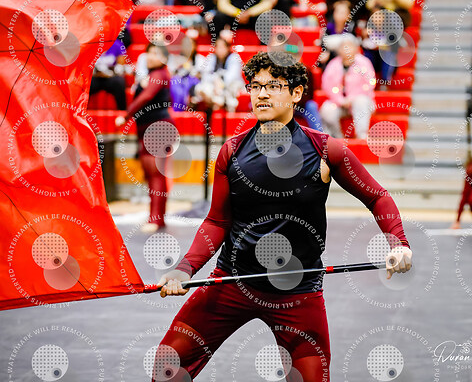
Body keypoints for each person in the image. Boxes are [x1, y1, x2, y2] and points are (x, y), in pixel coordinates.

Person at [152, 51, 413, 381]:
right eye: (256, 86)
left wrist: (398, 243)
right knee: (168, 365)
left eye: (273, 86)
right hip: (233, 282)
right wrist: (185, 268)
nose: (261, 94)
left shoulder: (325, 150)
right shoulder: (232, 151)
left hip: (297, 293)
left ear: (296, 93)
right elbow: (217, 221)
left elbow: (377, 197)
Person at [121, 44, 173, 233]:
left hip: (157, 129)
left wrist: (126, 115)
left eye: (156, 54)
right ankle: (156, 217)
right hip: (147, 129)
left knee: (155, 174)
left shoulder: (159, 74)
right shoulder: (152, 75)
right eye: (149, 53)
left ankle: (156, 219)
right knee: (152, 175)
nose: (150, 57)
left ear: (164, 58)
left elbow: (146, 97)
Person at [320, 35, 375, 139]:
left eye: (349, 46)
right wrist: (340, 100)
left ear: (356, 48)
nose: (346, 50)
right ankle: (337, 137)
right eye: (343, 47)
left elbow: (370, 83)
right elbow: (326, 85)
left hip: (360, 100)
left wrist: (352, 98)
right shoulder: (333, 64)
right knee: (327, 109)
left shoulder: (364, 62)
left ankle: (361, 134)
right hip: (339, 103)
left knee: (361, 101)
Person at [193, 36, 245, 112]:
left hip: (230, 88)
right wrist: (215, 80)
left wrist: (219, 81)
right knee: (201, 88)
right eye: (218, 47)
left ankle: (223, 103)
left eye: (222, 47)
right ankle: (219, 102)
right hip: (214, 88)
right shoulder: (211, 58)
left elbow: (231, 77)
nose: (220, 50)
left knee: (233, 87)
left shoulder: (234, 57)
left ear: (227, 48)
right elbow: (205, 76)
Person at [89, 39, 129, 110]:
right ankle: (81, 111)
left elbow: (121, 65)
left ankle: (122, 111)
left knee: (120, 82)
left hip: (111, 77)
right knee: (85, 83)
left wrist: (110, 73)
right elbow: (87, 65)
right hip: (95, 77)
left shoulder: (117, 44)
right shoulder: (92, 43)